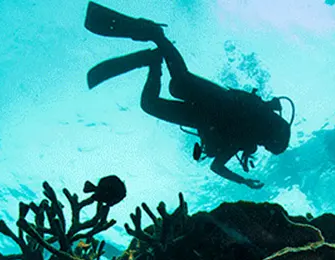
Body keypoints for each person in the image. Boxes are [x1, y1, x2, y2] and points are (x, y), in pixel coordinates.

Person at [84, 2, 293, 189]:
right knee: (179, 83)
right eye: (268, 145)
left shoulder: (244, 138)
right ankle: (156, 35)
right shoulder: (250, 127)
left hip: (198, 117)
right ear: (271, 139)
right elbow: (217, 166)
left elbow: (215, 166)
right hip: (216, 101)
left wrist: (243, 181)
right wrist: (243, 181)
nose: (263, 145)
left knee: (151, 103)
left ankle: (152, 61)